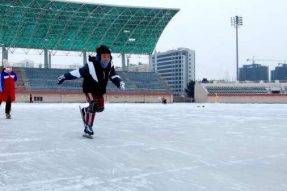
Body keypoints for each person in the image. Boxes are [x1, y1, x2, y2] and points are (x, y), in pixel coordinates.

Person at [57, 45, 125, 135]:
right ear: (99, 57)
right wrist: (65, 76)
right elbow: (78, 73)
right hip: (89, 88)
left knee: (100, 108)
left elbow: (113, 75)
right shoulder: (90, 66)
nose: (106, 59)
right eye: (104, 56)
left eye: (108, 56)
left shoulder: (110, 65)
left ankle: (86, 111)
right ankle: (88, 127)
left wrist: (119, 82)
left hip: (100, 90)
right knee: (94, 105)